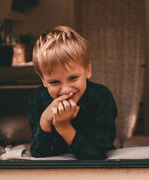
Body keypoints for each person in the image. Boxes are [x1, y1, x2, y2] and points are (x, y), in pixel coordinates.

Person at [27, 25, 117, 159]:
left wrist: (64, 127)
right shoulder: (37, 99)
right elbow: (38, 154)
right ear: (43, 80)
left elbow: (97, 154)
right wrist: (45, 121)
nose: (66, 90)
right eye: (54, 82)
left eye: (73, 78)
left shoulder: (100, 97)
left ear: (88, 69)